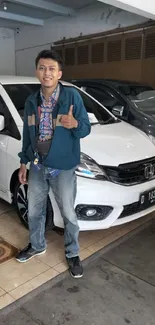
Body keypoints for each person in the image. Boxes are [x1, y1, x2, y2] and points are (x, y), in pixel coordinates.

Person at [15, 49, 91, 278]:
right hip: (38, 165)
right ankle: (37, 245)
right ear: (37, 71)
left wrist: (74, 123)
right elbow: (29, 134)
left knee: (68, 212)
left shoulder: (71, 97)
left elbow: (85, 129)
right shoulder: (31, 101)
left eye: (51, 69)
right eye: (42, 68)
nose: (46, 73)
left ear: (59, 73)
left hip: (63, 168)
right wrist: (23, 162)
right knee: (35, 210)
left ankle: (72, 252)